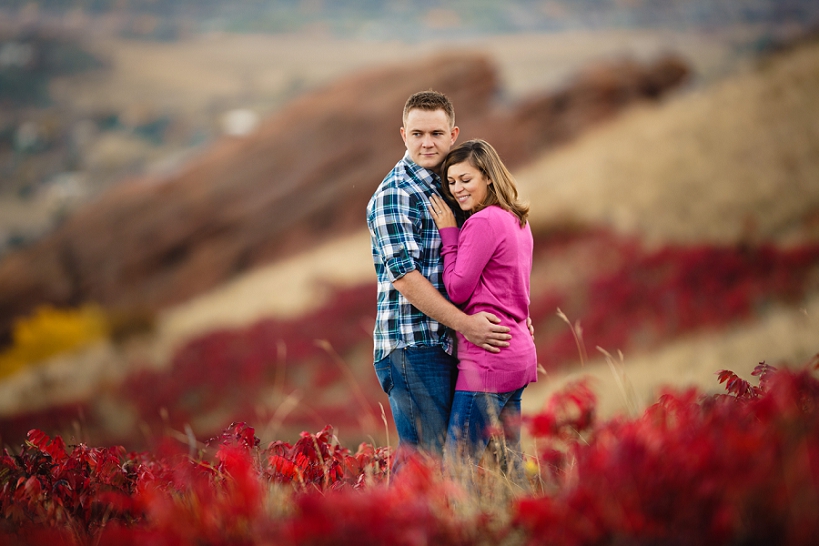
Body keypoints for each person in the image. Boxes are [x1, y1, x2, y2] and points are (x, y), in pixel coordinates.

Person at [366, 91, 513, 467]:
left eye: (436, 132)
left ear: (453, 134)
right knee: (425, 460)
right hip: (412, 345)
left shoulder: (452, 183)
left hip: (450, 341)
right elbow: (404, 278)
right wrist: (466, 324)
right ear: (403, 135)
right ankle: (389, 525)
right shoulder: (394, 194)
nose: (426, 142)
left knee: (456, 459)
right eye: (417, 134)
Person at [427, 139, 537, 479]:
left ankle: (464, 529)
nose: (457, 189)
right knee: (509, 463)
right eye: (452, 182)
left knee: (458, 465)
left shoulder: (483, 221)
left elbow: (457, 290)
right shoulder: (516, 218)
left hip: (489, 358)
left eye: (466, 179)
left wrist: (449, 234)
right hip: (517, 351)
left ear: (488, 177)